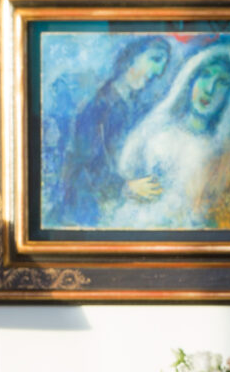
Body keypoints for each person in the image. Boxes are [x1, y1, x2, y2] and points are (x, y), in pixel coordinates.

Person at [111, 43, 230, 229]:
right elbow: (122, 171)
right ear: (190, 79)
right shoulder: (158, 125)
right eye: (205, 76)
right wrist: (128, 187)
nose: (209, 89)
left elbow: (213, 209)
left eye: (222, 83)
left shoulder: (221, 149)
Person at [55, 33, 173, 228]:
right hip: (87, 215)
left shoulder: (140, 110)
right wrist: (124, 187)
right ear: (131, 56)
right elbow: (84, 168)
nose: (158, 70)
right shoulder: (96, 109)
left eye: (162, 67)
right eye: (155, 59)